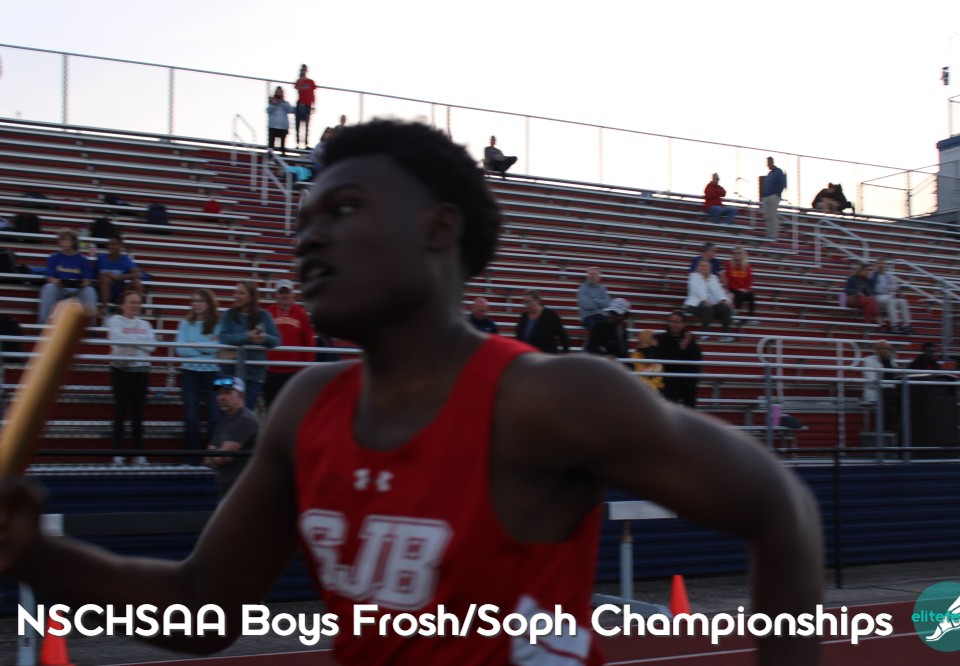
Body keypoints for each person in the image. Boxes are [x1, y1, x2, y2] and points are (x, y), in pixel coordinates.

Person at [0, 120, 823, 665]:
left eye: (343, 209)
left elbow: (777, 507)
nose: (309, 236)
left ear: (438, 227)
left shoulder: (549, 397)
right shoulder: (305, 409)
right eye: (302, 220)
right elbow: (202, 607)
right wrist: (35, 554)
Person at [106, 290, 157, 465]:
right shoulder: (114, 321)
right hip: (121, 370)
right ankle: (117, 453)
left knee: (138, 414)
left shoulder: (145, 324)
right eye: (131, 302)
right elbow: (117, 339)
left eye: (137, 302)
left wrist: (130, 340)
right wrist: (140, 340)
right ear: (122, 304)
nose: (135, 305)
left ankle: (138, 453)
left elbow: (152, 346)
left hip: (141, 371)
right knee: (120, 411)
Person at [219, 280, 280, 413]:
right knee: (226, 411)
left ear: (252, 297)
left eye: (241, 293)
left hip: (254, 372)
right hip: (229, 371)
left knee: (246, 411)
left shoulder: (263, 315)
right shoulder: (229, 314)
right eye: (236, 292)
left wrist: (264, 337)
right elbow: (224, 337)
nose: (237, 296)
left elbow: (276, 341)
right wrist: (247, 336)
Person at [176, 288, 222, 455]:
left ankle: (213, 456)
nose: (196, 304)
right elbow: (181, 350)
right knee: (191, 414)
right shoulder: (185, 324)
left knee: (214, 414)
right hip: (190, 372)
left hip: (213, 372)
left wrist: (193, 344)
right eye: (193, 300)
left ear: (209, 303)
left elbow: (218, 348)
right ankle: (191, 457)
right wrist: (206, 347)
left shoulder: (218, 324)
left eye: (200, 300)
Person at [204, 376, 260, 499]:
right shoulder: (225, 421)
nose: (221, 397)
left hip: (243, 491)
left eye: (227, 393)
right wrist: (215, 455)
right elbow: (207, 458)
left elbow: (221, 458)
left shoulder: (245, 420)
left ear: (241, 395)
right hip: (229, 489)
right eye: (219, 393)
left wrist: (215, 454)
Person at [264, 279, 315, 409]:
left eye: (287, 292)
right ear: (276, 295)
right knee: (272, 406)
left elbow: (308, 342)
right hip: (272, 369)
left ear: (293, 294)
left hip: (294, 369)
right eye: (281, 292)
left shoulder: (301, 314)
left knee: (293, 407)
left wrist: (306, 368)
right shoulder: (268, 313)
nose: (284, 295)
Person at [37, 228, 97, 324]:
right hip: (60, 288)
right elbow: (50, 278)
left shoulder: (82, 259)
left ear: (73, 241)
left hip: (77, 289)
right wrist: (58, 282)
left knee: (89, 291)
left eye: (66, 239)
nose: (63, 242)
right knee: (48, 288)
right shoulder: (54, 257)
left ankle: (91, 325)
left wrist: (82, 284)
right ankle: (43, 322)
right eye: (61, 239)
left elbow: (87, 279)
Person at [656, 311, 703, 408]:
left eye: (676, 322)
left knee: (689, 410)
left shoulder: (688, 338)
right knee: (670, 410)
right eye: (671, 321)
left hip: (688, 381)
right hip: (670, 381)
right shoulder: (661, 338)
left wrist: (688, 345)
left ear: (683, 324)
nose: (673, 325)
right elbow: (665, 360)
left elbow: (697, 357)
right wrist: (682, 348)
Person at [685, 259, 734, 341]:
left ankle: (726, 334)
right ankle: (705, 333)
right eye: (702, 266)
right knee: (708, 307)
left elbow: (719, 291)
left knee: (726, 308)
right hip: (695, 304)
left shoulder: (713, 277)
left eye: (706, 266)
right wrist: (705, 299)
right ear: (698, 267)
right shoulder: (694, 276)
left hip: (712, 304)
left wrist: (723, 300)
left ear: (710, 268)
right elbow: (697, 290)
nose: (704, 267)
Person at [95, 234, 143, 317]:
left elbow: (138, 274)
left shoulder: (125, 259)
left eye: (114, 244)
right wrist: (106, 275)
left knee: (136, 282)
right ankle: (104, 307)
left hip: (120, 291)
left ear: (121, 246)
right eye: (110, 244)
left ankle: (136, 310)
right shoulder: (101, 258)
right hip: (103, 291)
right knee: (105, 278)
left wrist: (118, 277)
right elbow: (94, 275)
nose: (111, 246)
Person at [515, 289, 570, 354]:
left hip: (546, 356)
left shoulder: (550, 315)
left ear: (538, 301)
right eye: (525, 302)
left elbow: (563, 336)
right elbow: (518, 337)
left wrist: (565, 353)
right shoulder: (524, 316)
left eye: (529, 302)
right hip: (528, 355)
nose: (526, 305)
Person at [861, 340, 900, 432]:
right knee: (889, 397)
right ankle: (887, 429)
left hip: (890, 391)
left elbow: (896, 377)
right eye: (882, 348)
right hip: (876, 391)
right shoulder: (869, 361)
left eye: (887, 349)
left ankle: (896, 430)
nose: (885, 351)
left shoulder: (892, 362)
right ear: (876, 350)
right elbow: (872, 382)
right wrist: (888, 385)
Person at [871, 257, 912, 334]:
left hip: (888, 297)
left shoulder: (888, 275)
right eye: (879, 263)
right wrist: (888, 288)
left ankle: (907, 325)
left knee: (903, 301)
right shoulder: (872, 275)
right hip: (877, 298)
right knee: (891, 301)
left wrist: (885, 287)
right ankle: (894, 325)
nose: (881, 265)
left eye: (882, 263)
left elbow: (896, 287)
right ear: (876, 265)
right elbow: (876, 289)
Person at [726, 246, 757, 323]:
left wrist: (746, 289)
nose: (736, 254)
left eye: (739, 253)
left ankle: (751, 317)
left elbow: (749, 280)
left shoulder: (747, 266)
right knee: (739, 294)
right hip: (733, 289)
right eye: (735, 253)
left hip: (743, 290)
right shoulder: (729, 264)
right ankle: (736, 315)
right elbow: (729, 280)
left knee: (751, 295)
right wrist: (738, 289)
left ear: (742, 254)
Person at [577, 266, 612, 332]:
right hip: (587, 317)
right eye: (590, 274)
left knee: (611, 325)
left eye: (594, 274)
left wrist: (593, 300)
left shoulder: (602, 288)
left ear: (598, 277)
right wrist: (600, 304)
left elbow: (608, 303)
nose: (592, 276)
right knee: (596, 327)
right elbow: (586, 305)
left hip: (600, 315)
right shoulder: (583, 288)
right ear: (587, 276)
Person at [630, 328, 664, 394]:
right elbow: (640, 377)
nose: (656, 341)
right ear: (647, 340)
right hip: (641, 391)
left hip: (655, 390)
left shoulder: (658, 354)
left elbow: (659, 379)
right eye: (653, 338)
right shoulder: (636, 356)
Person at [761, 156, 786, 239]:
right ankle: (769, 234)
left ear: (771, 162)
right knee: (767, 216)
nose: (767, 165)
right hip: (767, 197)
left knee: (772, 216)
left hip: (773, 196)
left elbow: (782, 184)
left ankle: (773, 235)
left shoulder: (778, 172)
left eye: (768, 163)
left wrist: (776, 194)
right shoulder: (770, 173)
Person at [293, 64, 317, 149]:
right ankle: (297, 143)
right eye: (302, 70)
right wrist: (301, 80)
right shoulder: (299, 81)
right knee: (298, 125)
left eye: (304, 70)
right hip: (300, 104)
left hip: (307, 105)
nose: (303, 71)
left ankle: (306, 144)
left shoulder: (311, 82)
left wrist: (313, 105)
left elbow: (313, 94)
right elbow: (297, 89)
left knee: (306, 125)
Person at [266, 86, 294, 155]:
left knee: (283, 144)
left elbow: (289, 110)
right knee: (271, 143)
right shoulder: (271, 103)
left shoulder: (285, 103)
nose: (279, 94)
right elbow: (268, 111)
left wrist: (282, 102)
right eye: (278, 92)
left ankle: (283, 156)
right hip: (273, 126)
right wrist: (273, 104)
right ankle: (270, 156)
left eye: (280, 92)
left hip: (283, 126)